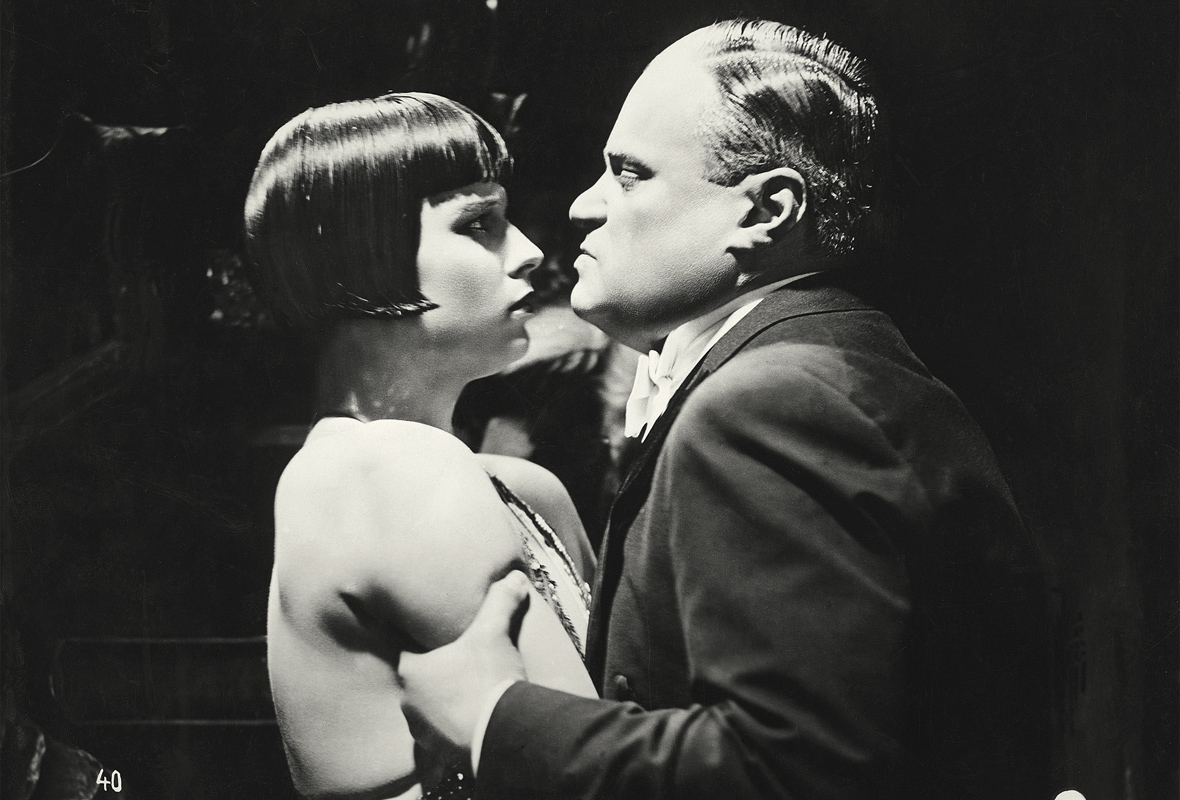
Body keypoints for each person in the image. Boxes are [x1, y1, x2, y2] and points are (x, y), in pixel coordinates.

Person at [398, 19, 1051, 800]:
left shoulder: (769, 402)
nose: (581, 207)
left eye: (629, 175)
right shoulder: (847, 359)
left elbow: (785, 770)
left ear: (767, 210)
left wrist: (493, 714)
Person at [244, 93, 598, 800]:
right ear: (358, 254)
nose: (529, 252)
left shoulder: (514, 485)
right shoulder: (389, 471)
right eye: (477, 223)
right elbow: (603, 774)